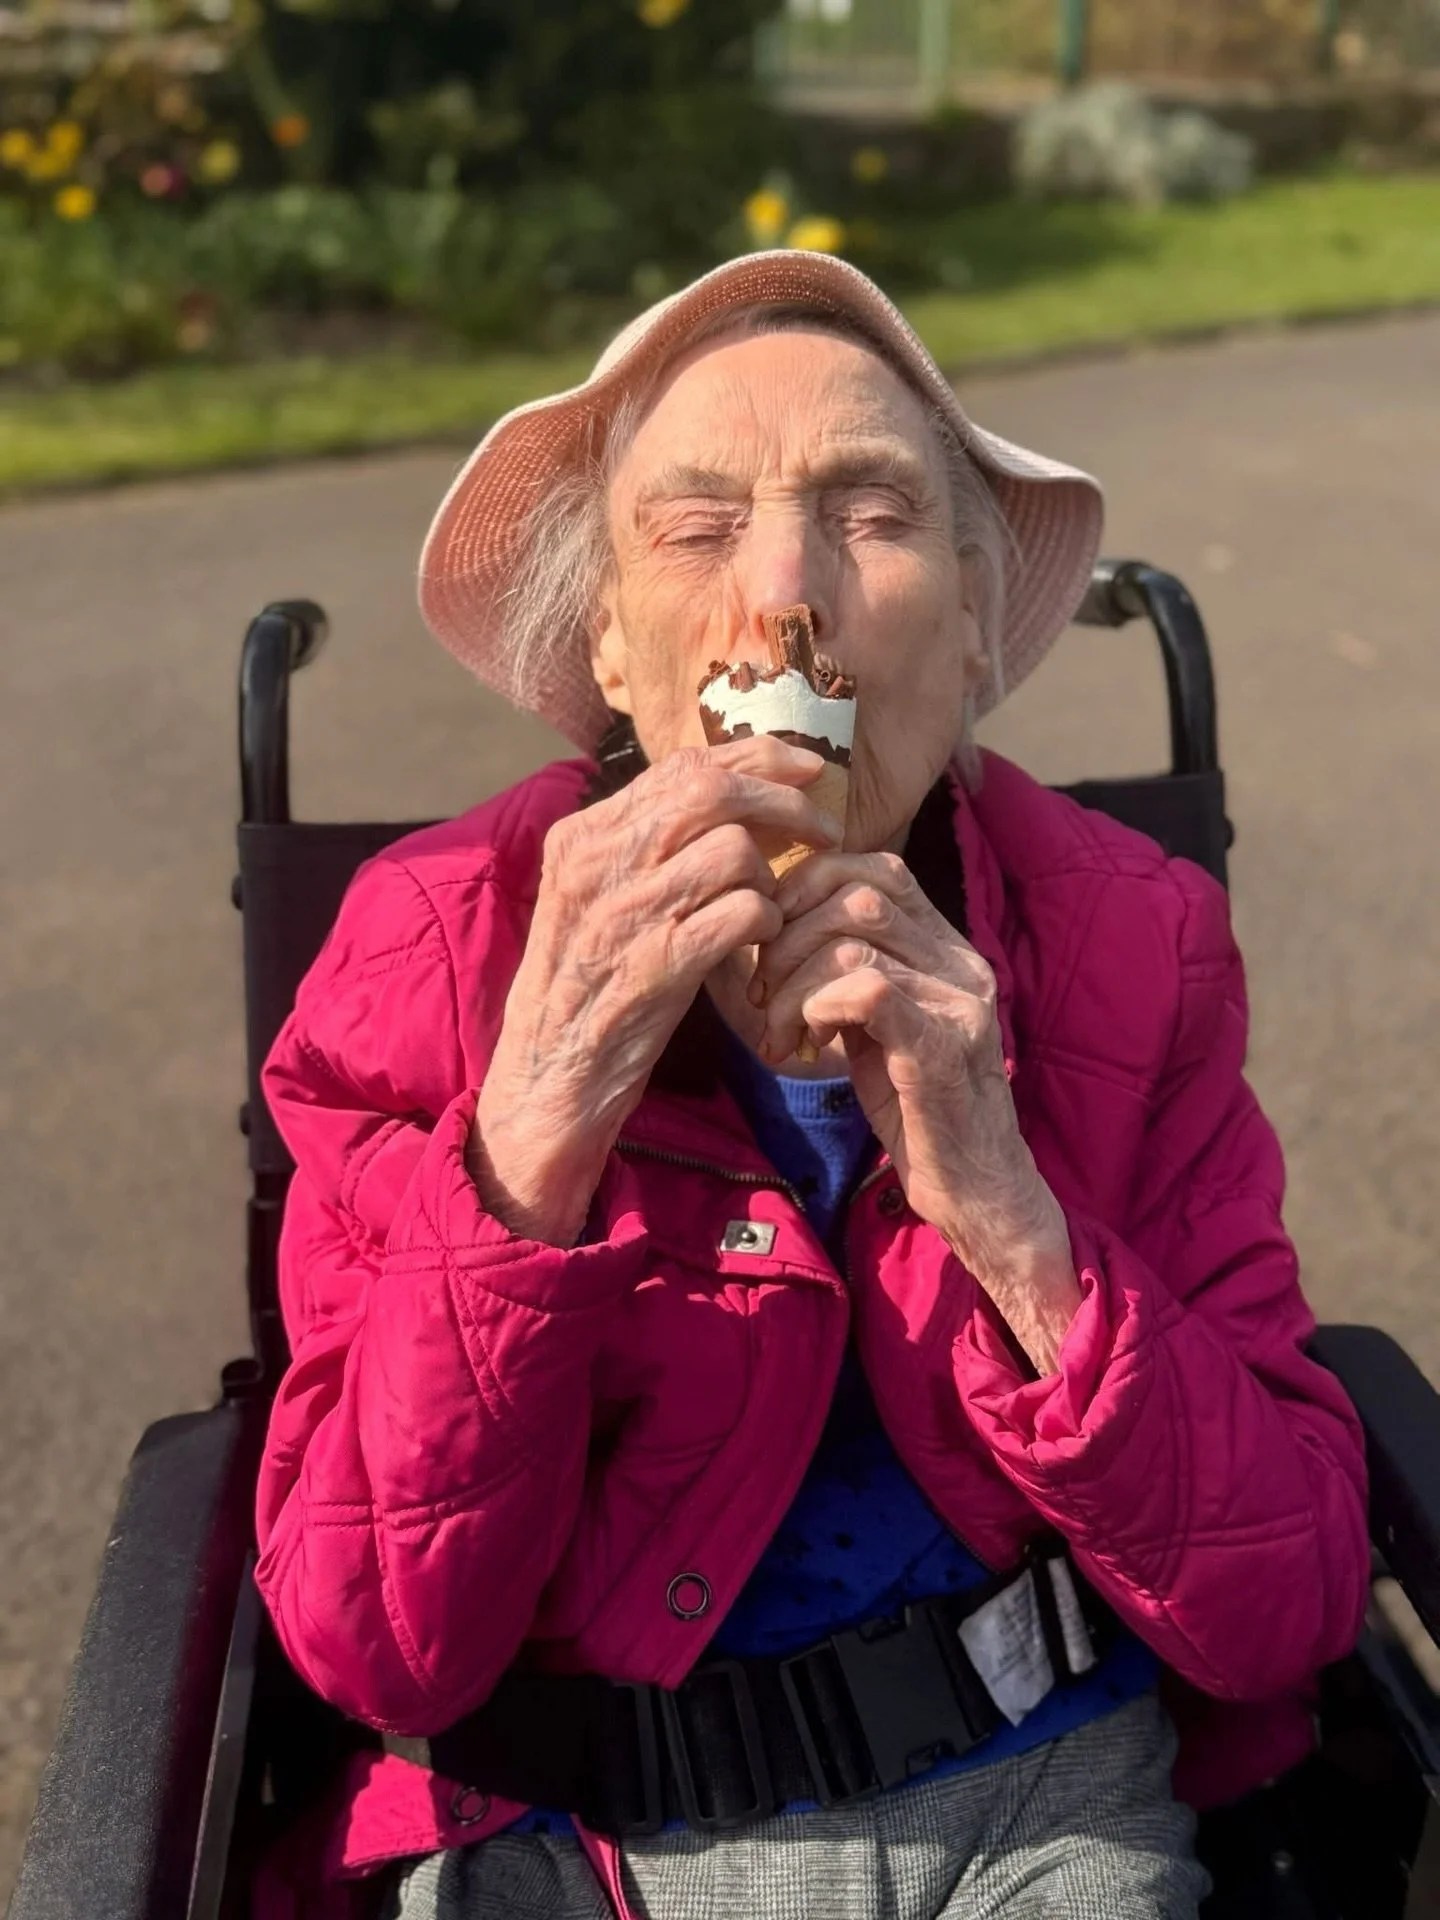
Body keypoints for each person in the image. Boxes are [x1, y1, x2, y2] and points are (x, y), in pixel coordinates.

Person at [253, 252, 1369, 1920]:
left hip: (1040, 1801)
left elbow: (1286, 1602)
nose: (786, 594)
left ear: (981, 631)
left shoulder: (1139, 939)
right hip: (573, 1833)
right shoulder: (428, 946)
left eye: (873, 513)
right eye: (694, 530)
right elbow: (377, 1643)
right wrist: (533, 1127)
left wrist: (1006, 1207)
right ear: (613, 651)